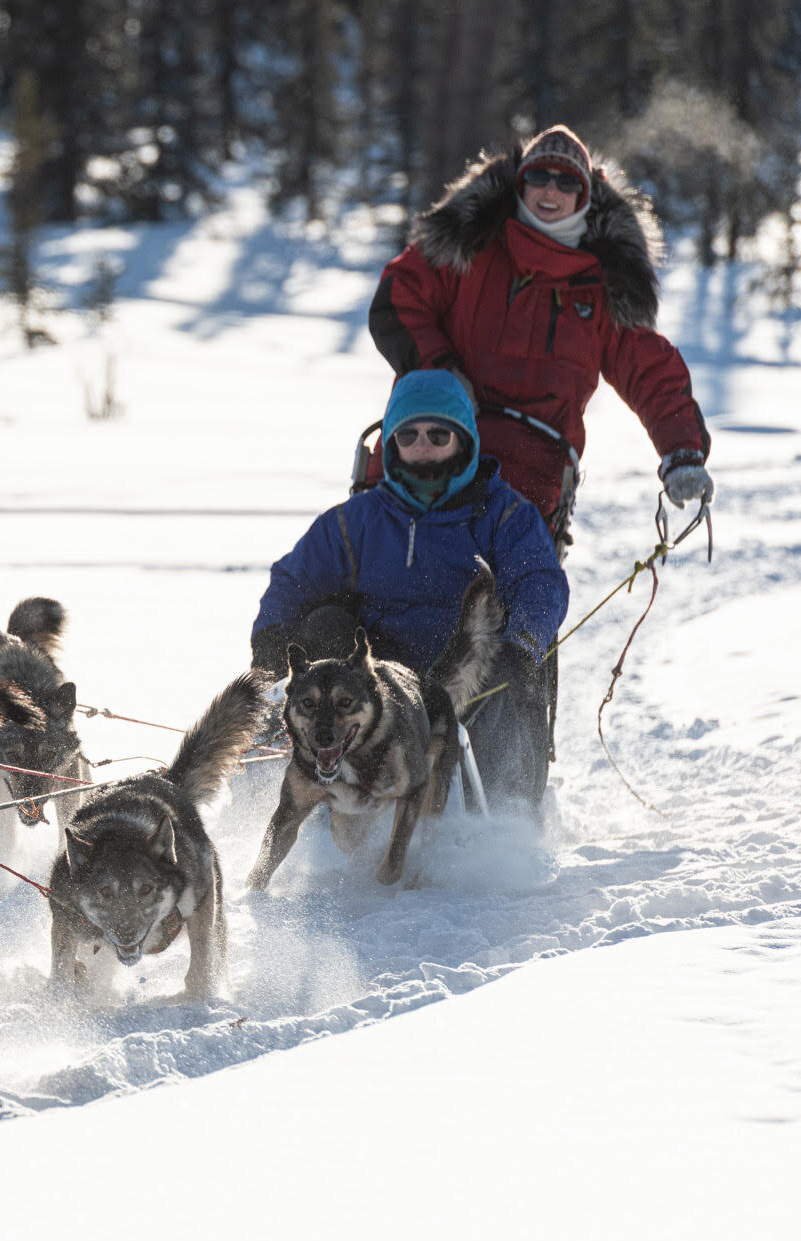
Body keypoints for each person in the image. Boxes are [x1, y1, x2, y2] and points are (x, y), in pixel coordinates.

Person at [368, 125, 715, 550]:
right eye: (539, 177)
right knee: (370, 541)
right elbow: (400, 299)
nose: (551, 189)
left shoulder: (600, 284)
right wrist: (440, 371)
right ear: (521, 183)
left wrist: (681, 450)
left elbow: (648, 369)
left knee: (494, 571)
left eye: (567, 181)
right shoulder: (471, 246)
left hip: (535, 464)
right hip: (440, 431)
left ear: (583, 195)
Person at [251, 370, 571, 816]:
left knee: (515, 659)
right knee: (322, 627)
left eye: (439, 435)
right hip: (378, 681)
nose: (424, 446)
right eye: (410, 435)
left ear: (463, 440)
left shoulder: (504, 513)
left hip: (473, 673)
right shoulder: (358, 519)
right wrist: (270, 636)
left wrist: (526, 644)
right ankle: (315, 799)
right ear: (393, 443)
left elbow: (540, 581)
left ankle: (506, 818)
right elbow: (294, 579)